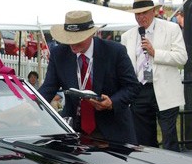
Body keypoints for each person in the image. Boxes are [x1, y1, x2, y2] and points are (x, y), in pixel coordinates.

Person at [38, 10, 139, 144]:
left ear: (91, 34)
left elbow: (132, 87)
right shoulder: (59, 54)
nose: (72, 44)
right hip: (75, 131)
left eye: (77, 40)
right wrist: (31, 106)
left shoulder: (115, 52)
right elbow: (48, 88)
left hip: (112, 131)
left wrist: (112, 102)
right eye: (69, 39)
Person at [120, 0, 188, 151]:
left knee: (169, 138)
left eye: (144, 13)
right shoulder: (127, 36)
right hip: (139, 92)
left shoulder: (171, 28)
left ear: (154, 11)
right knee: (143, 140)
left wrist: (155, 53)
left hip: (166, 90)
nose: (141, 17)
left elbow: (182, 58)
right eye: (137, 14)